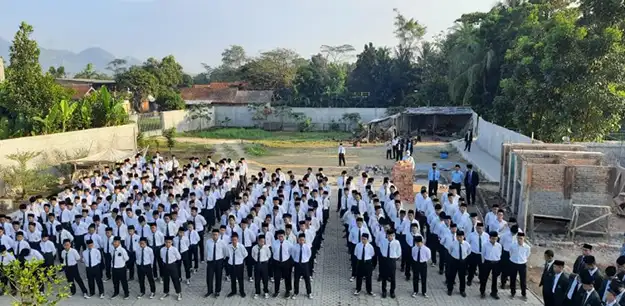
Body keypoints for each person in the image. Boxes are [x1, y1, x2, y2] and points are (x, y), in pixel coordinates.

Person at [447, 230, 471, 297]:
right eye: (458, 236)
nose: (459, 238)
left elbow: (468, 252)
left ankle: (462, 290)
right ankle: (450, 289)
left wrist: (464, 258)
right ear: (456, 236)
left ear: (463, 236)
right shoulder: (453, 243)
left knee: (462, 277)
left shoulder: (467, 244)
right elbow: (450, 251)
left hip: (463, 262)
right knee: (452, 276)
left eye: (461, 236)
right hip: (454, 261)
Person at [205, 229, 227, 298]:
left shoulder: (222, 242)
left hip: (219, 261)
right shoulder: (208, 242)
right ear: (211, 235)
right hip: (211, 261)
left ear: (218, 235)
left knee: (218, 277)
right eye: (213, 234)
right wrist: (208, 259)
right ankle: (209, 290)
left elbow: (225, 252)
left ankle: (217, 291)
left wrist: (223, 260)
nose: (214, 236)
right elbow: (206, 251)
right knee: (209, 277)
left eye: (216, 235)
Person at [379, 229, 401, 298]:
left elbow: (398, 251)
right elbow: (381, 249)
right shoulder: (383, 241)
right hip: (385, 259)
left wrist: (394, 257)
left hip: (392, 260)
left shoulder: (396, 242)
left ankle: (392, 291)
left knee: (392, 277)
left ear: (393, 235)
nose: (390, 237)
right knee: (384, 276)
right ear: (386, 235)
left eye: (391, 236)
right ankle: (384, 291)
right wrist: (384, 255)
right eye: (388, 235)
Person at [509, 232, 531, 300]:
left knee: (523, 280)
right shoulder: (512, 245)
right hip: (513, 263)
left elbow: (527, 255)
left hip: (522, 264)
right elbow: (510, 253)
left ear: (524, 239)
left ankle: (523, 294)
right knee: (512, 279)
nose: (519, 240)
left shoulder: (527, 247)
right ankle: (512, 293)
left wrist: (522, 260)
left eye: (521, 238)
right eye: (518, 238)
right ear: (516, 238)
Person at [480, 231, 502, 299]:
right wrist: (483, 262)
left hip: (496, 263)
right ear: (489, 238)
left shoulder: (499, 245)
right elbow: (482, 254)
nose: (494, 240)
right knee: (484, 278)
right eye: (492, 239)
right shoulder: (485, 245)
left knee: (495, 278)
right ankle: (482, 292)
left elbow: (500, 254)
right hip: (487, 263)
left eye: (495, 239)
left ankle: (494, 293)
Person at [272, 229, 293, 298]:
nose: (280, 238)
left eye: (282, 236)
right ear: (277, 236)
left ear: (284, 236)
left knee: (287, 277)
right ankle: (276, 291)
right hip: (276, 262)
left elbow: (290, 252)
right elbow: (273, 251)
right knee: (277, 277)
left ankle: (288, 291)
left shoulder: (288, 243)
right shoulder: (274, 243)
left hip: (286, 262)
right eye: (279, 236)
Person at [160, 236, 182, 301]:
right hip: (165, 266)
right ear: (164, 242)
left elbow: (179, 257)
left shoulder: (174, 249)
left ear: (171, 242)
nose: (167, 244)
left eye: (169, 242)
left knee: (175, 279)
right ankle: (166, 292)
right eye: (166, 242)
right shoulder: (162, 249)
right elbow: (162, 257)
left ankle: (179, 293)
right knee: (166, 280)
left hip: (172, 265)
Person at [291, 233, 312, 299]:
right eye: (300, 240)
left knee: (307, 279)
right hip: (297, 264)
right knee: (296, 279)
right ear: (298, 240)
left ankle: (309, 293)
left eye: (303, 240)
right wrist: (296, 260)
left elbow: (309, 254)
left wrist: (305, 260)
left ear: (304, 240)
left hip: (305, 264)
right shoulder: (295, 247)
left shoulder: (307, 247)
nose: (301, 241)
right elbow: (293, 254)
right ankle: (295, 292)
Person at [226, 232, 247, 297]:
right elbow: (226, 254)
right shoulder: (228, 246)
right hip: (231, 264)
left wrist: (240, 259)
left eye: (235, 240)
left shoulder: (241, 246)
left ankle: (242, 291)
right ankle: (233, 291)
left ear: (237, 239)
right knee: (233, 278)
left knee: (240, 278)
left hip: (239, 265)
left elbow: (245, 254)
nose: (234, 241)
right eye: (233, 240)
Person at [252, 234, 271, 299]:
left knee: (265, 279)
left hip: (264, 264)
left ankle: (266, 291)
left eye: (263, 241)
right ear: (258, 241)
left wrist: (265, 261)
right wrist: (256, 261)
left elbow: (269, 255)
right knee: (257, 279)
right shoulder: (254, 248)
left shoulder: (266, 248)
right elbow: (253, 255)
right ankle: (257, 292)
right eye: (261, 241)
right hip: (257, 264)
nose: (262, 243)